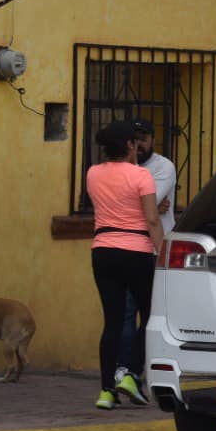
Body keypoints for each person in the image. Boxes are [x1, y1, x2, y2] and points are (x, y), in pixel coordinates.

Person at [85, 119, 161, 410]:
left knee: (112, 322)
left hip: (103, 250)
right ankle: (129, 371)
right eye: (135, 142)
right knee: (151, 315)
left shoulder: (93, 174)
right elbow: (152, 219)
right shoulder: (141, 176)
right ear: (129, 145)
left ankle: (106, 391)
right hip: (137, 250)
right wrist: (162, 252)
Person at [112, 118, 179, 400]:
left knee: (153, 315)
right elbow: (143, 204)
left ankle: (136, 370)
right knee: (126, 314)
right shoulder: (122, 167)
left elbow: (139, 204)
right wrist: (145, 202)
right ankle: (124, 371)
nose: (139, 143)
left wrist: (138, 202)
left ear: (153, 139)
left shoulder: (164, 167)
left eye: (144, 137)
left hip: (156, 252)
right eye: (134, 138)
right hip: (128, 248)